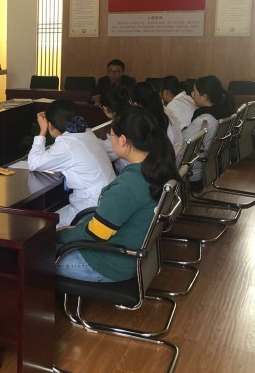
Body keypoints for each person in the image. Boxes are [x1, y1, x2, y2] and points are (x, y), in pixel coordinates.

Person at [55, 106, 181, 282]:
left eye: (111, 135)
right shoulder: (154, 170)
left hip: (106, 264)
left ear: (123, 140)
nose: (110, 139)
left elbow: (97, 234)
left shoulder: (129, 184)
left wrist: (61, 234)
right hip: (129, 256)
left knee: (33, 257)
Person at [27, 99, 115, 227]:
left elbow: (34, 163)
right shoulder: (86, 132)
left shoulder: (67, 143)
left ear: (51, 125)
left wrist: (42, 131)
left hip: (90, 210)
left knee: (43, 226)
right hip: (106, 203)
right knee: (51, 215)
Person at [186, 75, 237, 189]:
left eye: (194, 92)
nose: (192, 95)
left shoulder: (204, 120)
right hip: (210, 168)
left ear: (204, 96)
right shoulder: (222, 112)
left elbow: (182, 146)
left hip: (194, 173)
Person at [131, 81, 183, 157]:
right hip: (173, 158)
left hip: (163, 160)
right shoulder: (163, 115)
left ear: (136, 104)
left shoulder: (147, 122)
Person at [98, 85, 132, 173]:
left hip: (130, 173)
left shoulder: (120, 125)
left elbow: (104, 152)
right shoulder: (137, 114)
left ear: (105, 108)